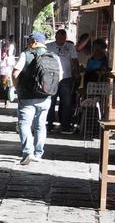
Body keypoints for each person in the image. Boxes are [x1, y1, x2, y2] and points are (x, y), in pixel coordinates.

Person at [11, 35, 57, 166]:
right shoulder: (53, 56)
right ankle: (38, 154)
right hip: (46, 97)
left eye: (28, 41)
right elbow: (60, 77)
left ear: (34, 42)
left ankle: (27, 152)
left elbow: (15, 73)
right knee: (40, 125)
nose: (27, 43)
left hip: (27, 97)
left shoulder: (26, 54)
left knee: (24, 124)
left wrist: (18, 87)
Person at [45, 28, 77, 133]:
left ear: (65, 38)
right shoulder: (49, 47)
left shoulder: (70, 47)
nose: (61, 40)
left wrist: (75, 73)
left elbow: (74, 60)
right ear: (55, 37)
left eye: (63, 38)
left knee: (66, 103)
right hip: (52, 78)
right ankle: (49, 124)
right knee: (51, 102)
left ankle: (65, 125)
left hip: (66, 78)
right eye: (59, 38)